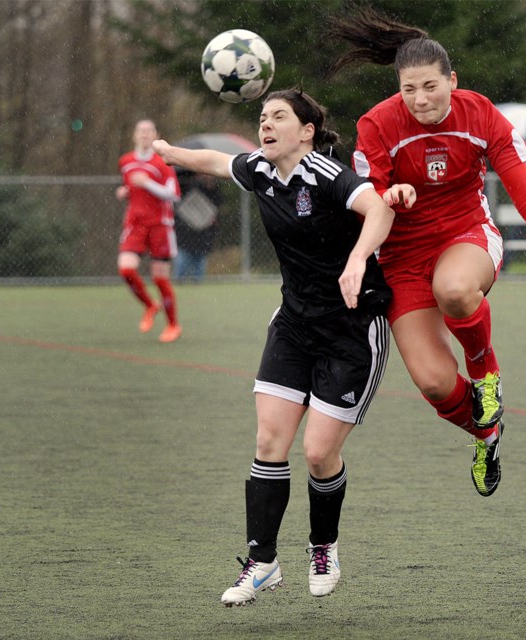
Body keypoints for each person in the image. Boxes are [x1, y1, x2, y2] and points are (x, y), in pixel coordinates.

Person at [325, 8, 526, 498]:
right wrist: (389, 197)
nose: (420, 99)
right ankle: (487, 434)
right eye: (408, 89)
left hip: (466, 235)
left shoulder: (480, 113)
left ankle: (486, 374)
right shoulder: (377, 124)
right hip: (402, 258)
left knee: (454, 289)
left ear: (451, 80)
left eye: (431, 86)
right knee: (434, 383)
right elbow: (372, 200)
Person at [151, 88, 397, 606]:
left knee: (318, 453)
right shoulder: (261, 170)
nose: (266, 124)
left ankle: (323, 545)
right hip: (293, 325)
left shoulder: (326, 175)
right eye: (262, 117)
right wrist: (171, 153)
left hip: (351, 330)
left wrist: (356, 261)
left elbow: (378, 209)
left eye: (278, 117)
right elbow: (217, 161)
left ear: (305, 132)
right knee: (268, 444)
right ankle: (262, 562)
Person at [116, 118, 183, 343]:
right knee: (126, 269)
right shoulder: (125, 161)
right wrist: (126, 191)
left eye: (149, 131)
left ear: (155, 135)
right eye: (141, 130)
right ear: (135, 136)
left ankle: (173, 325)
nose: (145, 134)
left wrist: (147, 183)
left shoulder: (163, 163)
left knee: (159, 278)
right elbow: (131, 185)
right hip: (135, 224)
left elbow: (173, 194)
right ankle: (150, 305)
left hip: (160, 225)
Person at [172, 171, 221, 283]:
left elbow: (217, 203)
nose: (206, 176)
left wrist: (210, 184)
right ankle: (179, 281)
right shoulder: (185, 183)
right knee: (181, 261)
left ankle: (197, 281)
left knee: (199, 261)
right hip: (184, 232)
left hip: (203, 233)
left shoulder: (212, 189)